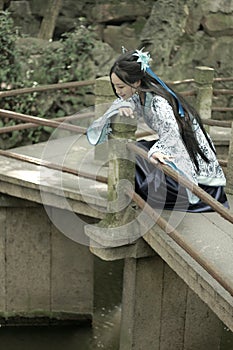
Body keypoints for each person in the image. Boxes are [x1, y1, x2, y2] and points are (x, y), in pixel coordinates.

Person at [87, 48, 229, 212]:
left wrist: (157, 151)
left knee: (140, 157)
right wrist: (124, 105)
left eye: (120, 87)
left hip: (185, 150)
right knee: (135, 150)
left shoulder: (158, 102)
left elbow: (172, 132)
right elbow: (124, 101)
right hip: (176, 143)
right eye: (115, 87)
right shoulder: (140, 94)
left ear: (136, 82)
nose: (118, 92)